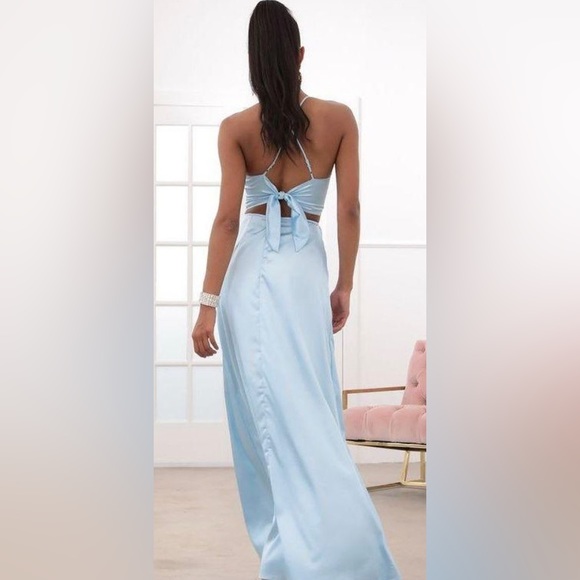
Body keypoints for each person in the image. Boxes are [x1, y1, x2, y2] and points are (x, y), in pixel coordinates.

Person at [191, 1, 401, 578]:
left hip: (248, 280)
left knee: (265, 422)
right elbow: (350, 209)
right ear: (300, 55)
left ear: (253, 63)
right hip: (305, 271)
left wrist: (207, 306)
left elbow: (227, 222)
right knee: (311, 412)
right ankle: (340, 553)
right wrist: (345, 285)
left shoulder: (236, 129)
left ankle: (290, 553)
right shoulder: (339, 120)